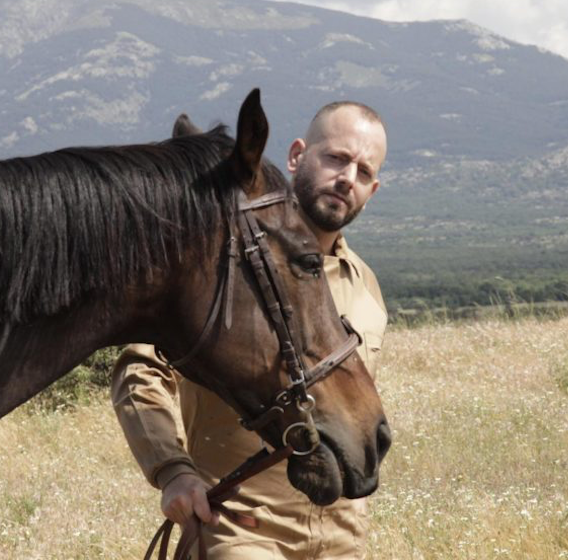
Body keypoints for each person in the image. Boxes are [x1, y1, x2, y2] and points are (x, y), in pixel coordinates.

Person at [112, 100, 389, 559]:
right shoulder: (222, 264)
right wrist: (173, 470)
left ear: (372, 190)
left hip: (342, 539)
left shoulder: (366, 285)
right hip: (241, 530)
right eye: (337, 158)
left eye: (363, 172)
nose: (347, 178)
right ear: (298, 156)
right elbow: (141, 369)